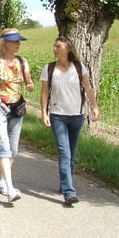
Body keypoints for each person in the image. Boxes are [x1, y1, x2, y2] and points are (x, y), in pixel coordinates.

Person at [40, 36, 100, 205]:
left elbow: (88, 88)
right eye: (54, 46)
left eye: (58, 46)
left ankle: (64, 183)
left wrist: (95, 107)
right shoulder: (49, 68)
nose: (54, 49)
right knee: (64, 153)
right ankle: (69, 192)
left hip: (77, 116)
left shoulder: (79, 68)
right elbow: (45, 92)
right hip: (57, 115)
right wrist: (44, 112)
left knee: (71, 154)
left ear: (68, 48)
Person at [0, 28, 34, 203]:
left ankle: (3, 181)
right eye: (14, 41)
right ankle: (10, 189)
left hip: (17, 107)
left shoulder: (22, 61)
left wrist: (29, 85)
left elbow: (28, 81)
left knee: (13, 149)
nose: (18, 44)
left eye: (18, 41)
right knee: (4, 146)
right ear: (5, 43)